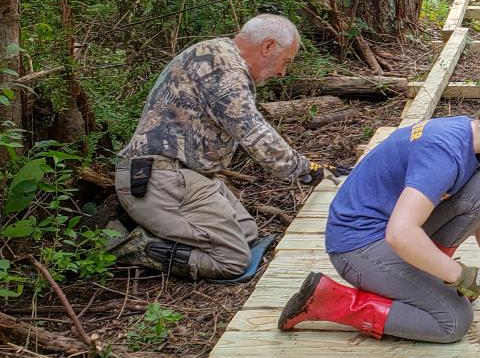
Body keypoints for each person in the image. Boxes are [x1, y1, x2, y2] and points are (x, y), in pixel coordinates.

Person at [278, 85, 480, 342]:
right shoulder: (444, 153)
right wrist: (458, 274)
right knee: (453, 321)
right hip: (356, 246)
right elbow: (400, 233)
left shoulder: (475, 142)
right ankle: (331, 302)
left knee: (479, 192)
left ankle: (427, 278)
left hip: (386, 233)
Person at [108, 15, 345, 280]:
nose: (282, 72)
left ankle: (168, 230)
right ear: (268, 47)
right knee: (233, 260)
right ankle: (136, 246)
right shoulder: (224, 68)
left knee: (248, 233)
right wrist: (307, 170)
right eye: (285, 62)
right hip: (160, 179)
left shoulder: (217, 54)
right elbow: (255, 134)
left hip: (182, 175)